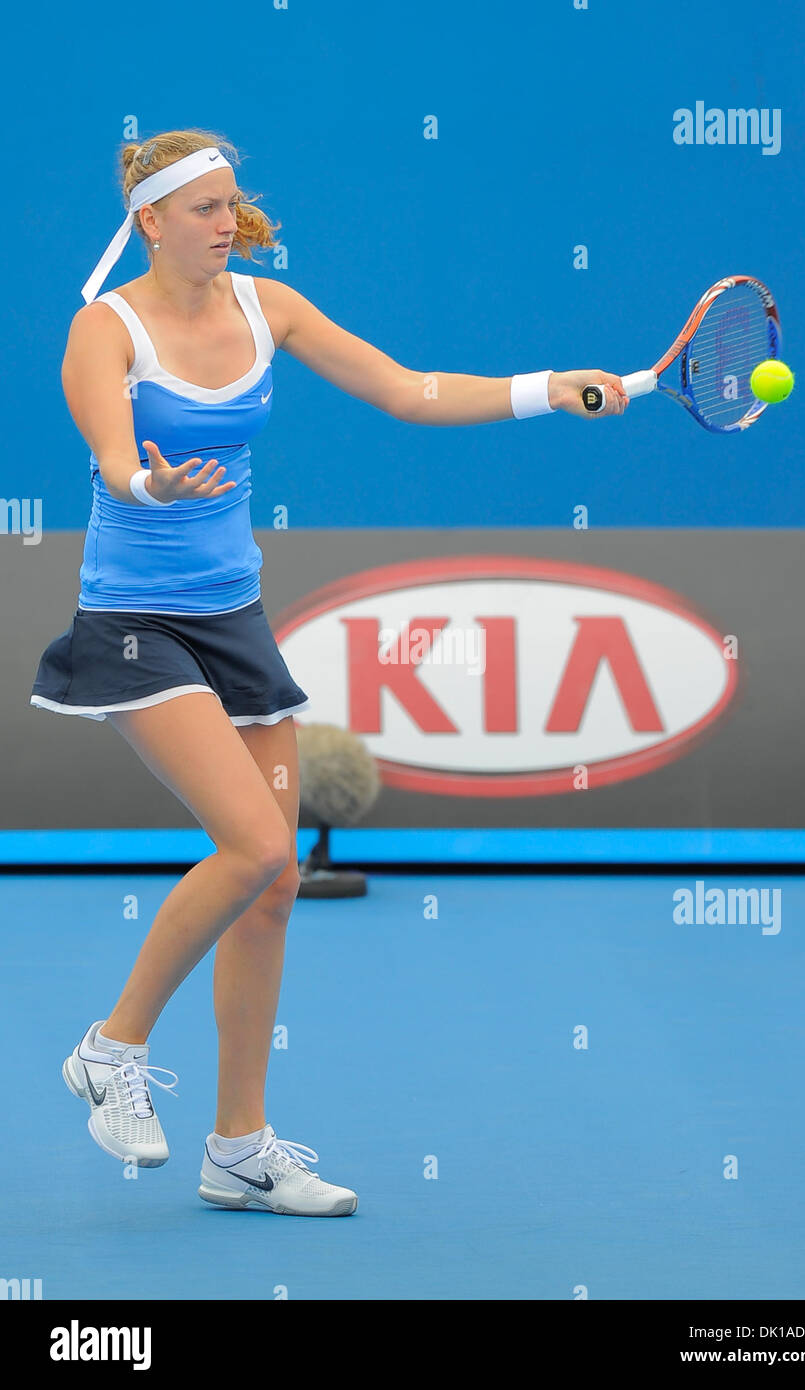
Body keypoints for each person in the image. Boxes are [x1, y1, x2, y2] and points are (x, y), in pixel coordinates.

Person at [31, 127, 628, 1218]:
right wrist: (151, 488)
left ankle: (239, 1148)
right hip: (133, 622)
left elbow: (409, 392)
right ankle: (109, 1050)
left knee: (273, 892)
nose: (226, 223)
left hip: (233, 616)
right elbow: (116, 457)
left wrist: (549, 387)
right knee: (255, 843)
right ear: (150, 222)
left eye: (230, 206)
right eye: (203, 208)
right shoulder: (101, 328)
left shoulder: (272, 308)